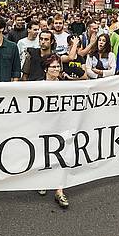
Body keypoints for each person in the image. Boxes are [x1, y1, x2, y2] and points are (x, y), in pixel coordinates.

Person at [36, 54, 70, 208]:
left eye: (58, 66)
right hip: (43, 125)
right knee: (44, 153)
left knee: (61, 155)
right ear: (46, 69)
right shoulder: (38, 85)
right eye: (53, 67)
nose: (56, 69)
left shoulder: (66, 85)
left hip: (61, 124)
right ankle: (43, 180)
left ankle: (59, 191)